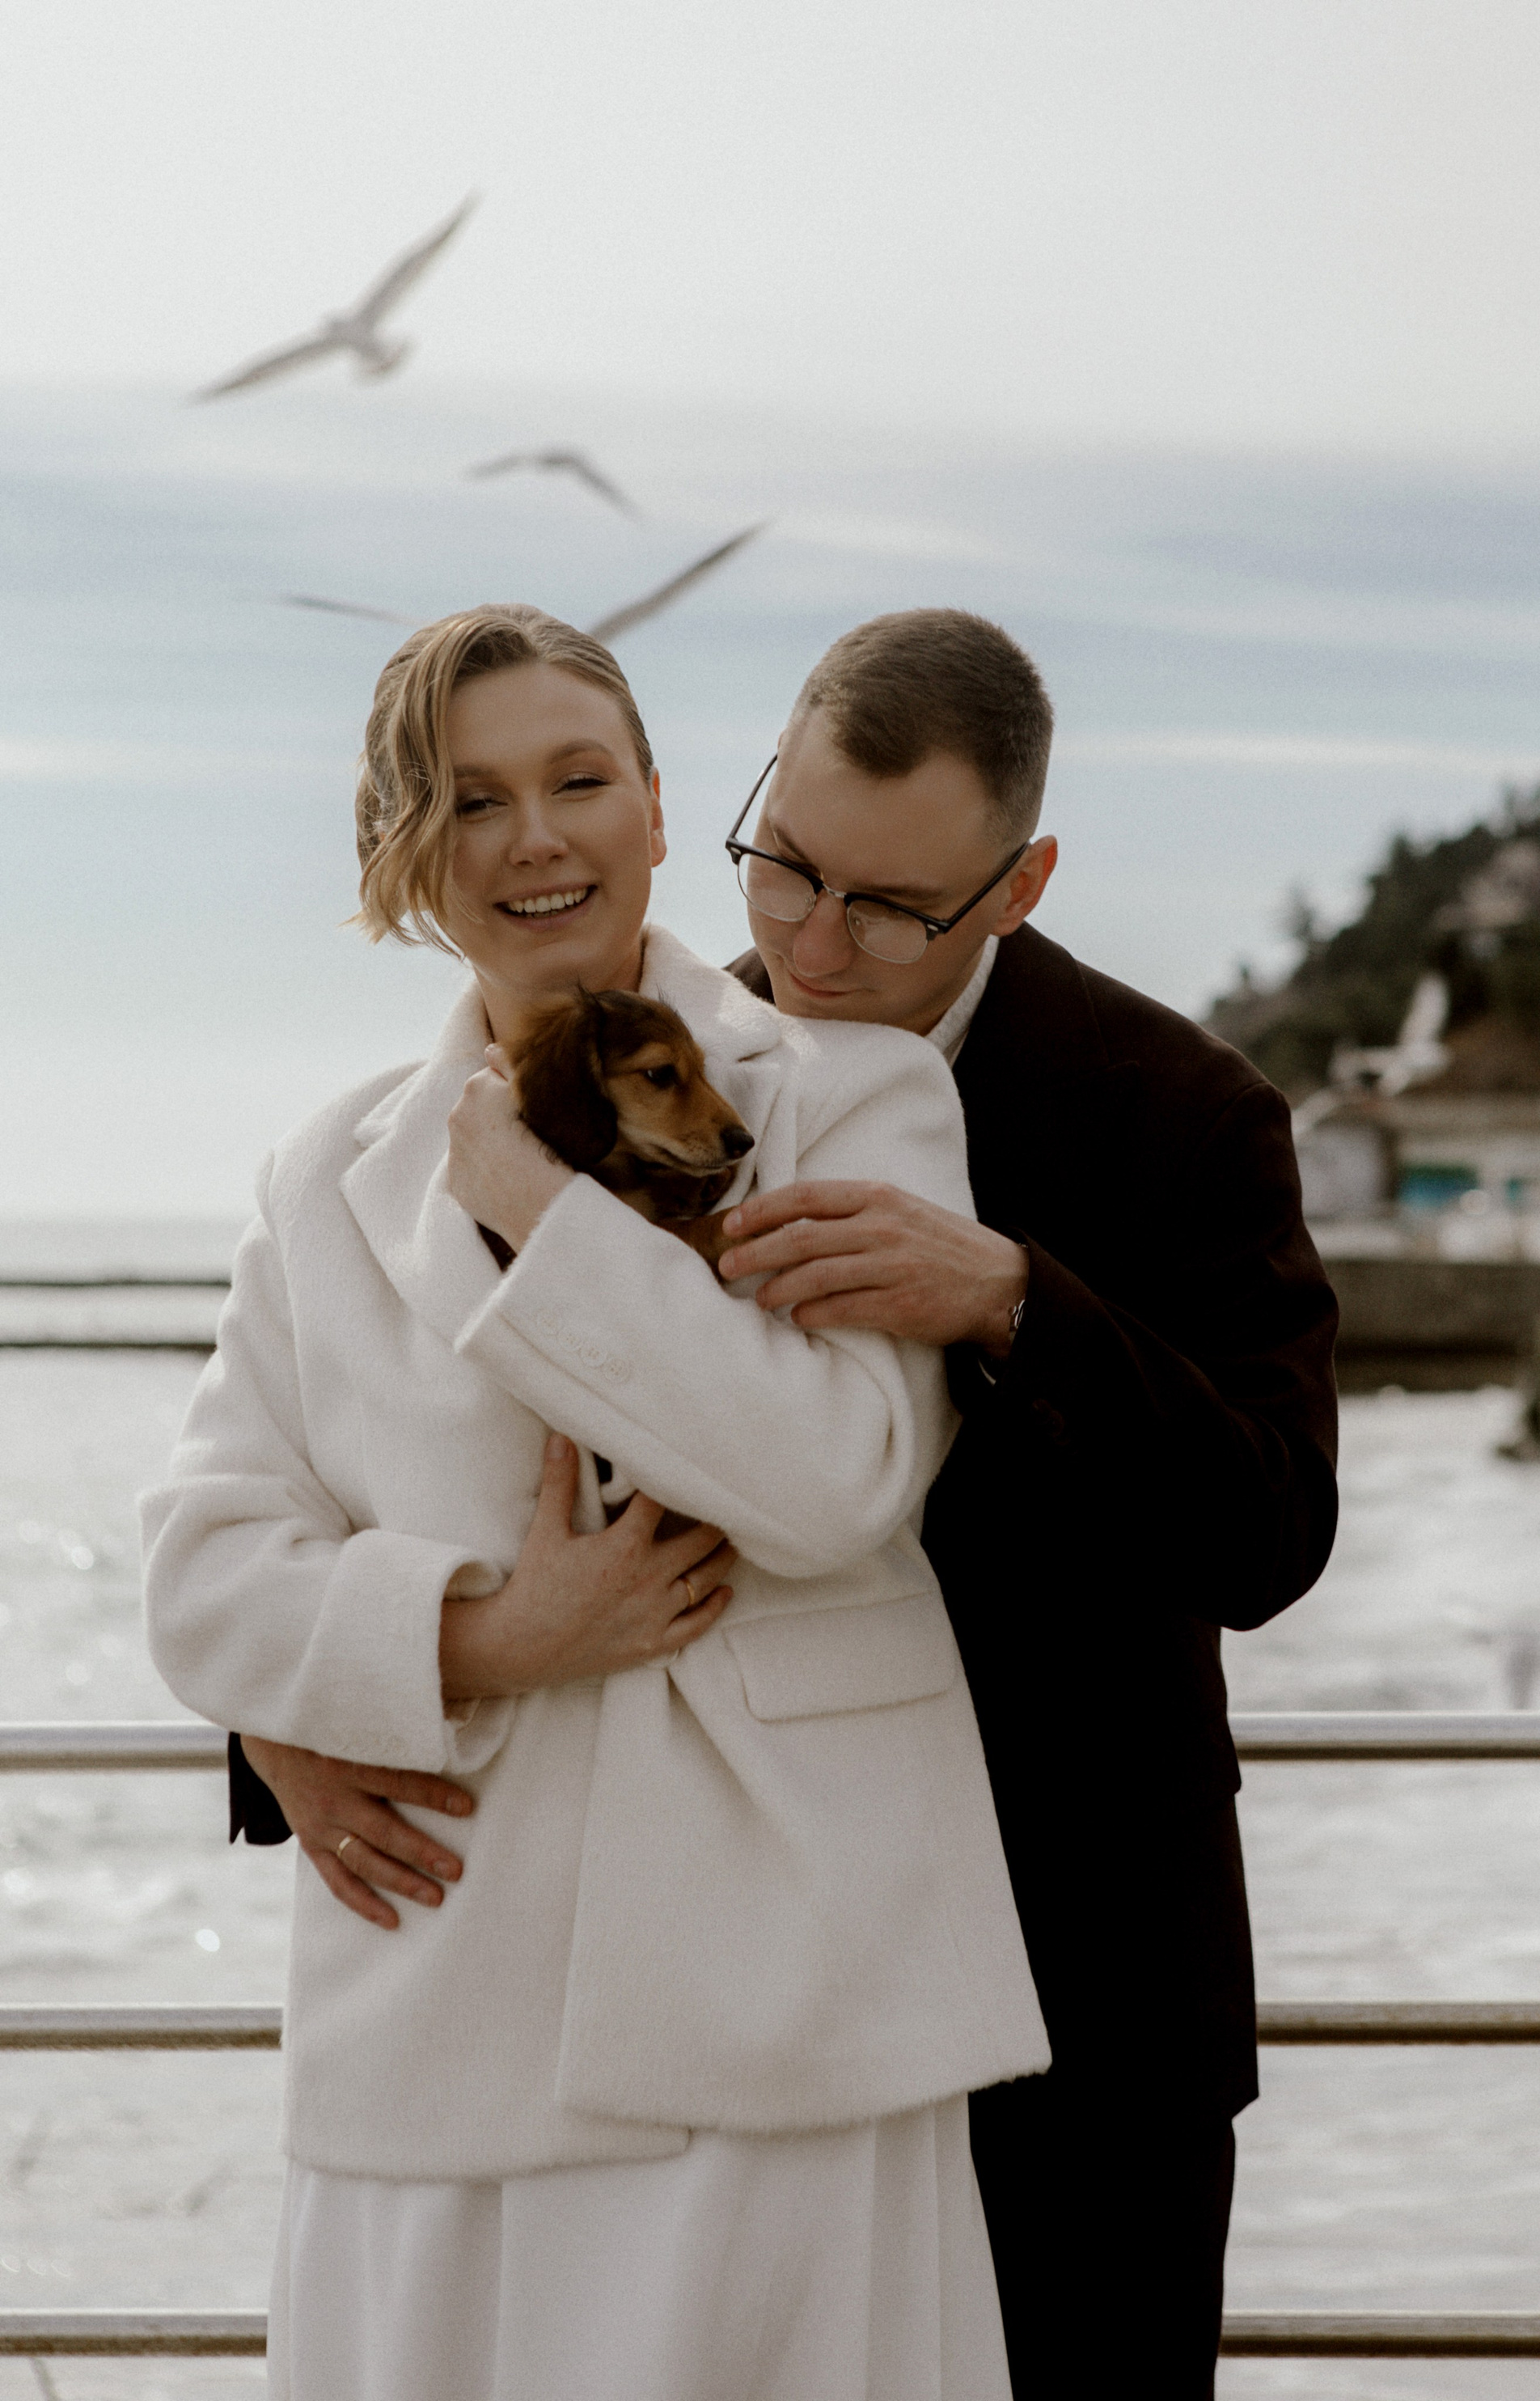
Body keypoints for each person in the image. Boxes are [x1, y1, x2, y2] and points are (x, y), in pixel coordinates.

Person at [226, 608, 1341, 2398]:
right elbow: (342, 1478)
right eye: (787, 868)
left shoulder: (1181, 1115)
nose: (813, 948)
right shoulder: (643, 1059)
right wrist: (335, 1688)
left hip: (1068, 1939)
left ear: (1019, 885)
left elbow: (1266, 1527)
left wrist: (1015, 1305)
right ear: (733, 807)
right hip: (690, 1959)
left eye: (889, 908)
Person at [142, 603, 1047, 2401]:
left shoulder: (853, 1096)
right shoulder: (323, 1174)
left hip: (792, 1995)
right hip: (440, 1990)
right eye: (471, 799)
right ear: (408, 850)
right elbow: (202, 1576)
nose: (534, 837)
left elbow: (836, 1480)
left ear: (658, 806)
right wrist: (483, 1637)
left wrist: (542, 1216)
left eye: (577, 780)